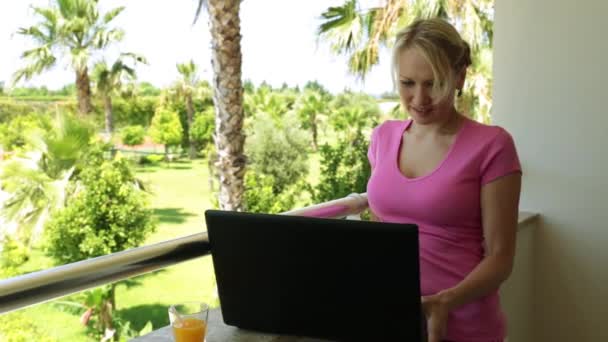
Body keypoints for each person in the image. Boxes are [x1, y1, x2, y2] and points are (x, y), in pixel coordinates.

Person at [366, 18, 522, 342]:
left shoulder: (493, 145)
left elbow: (501, 257)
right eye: (408, 83)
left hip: (462, 325)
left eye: (434, 83)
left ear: (459, 77)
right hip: (389, 320)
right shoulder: (383, 137)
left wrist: (444, 302)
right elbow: (380, 228)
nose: (420, 98)